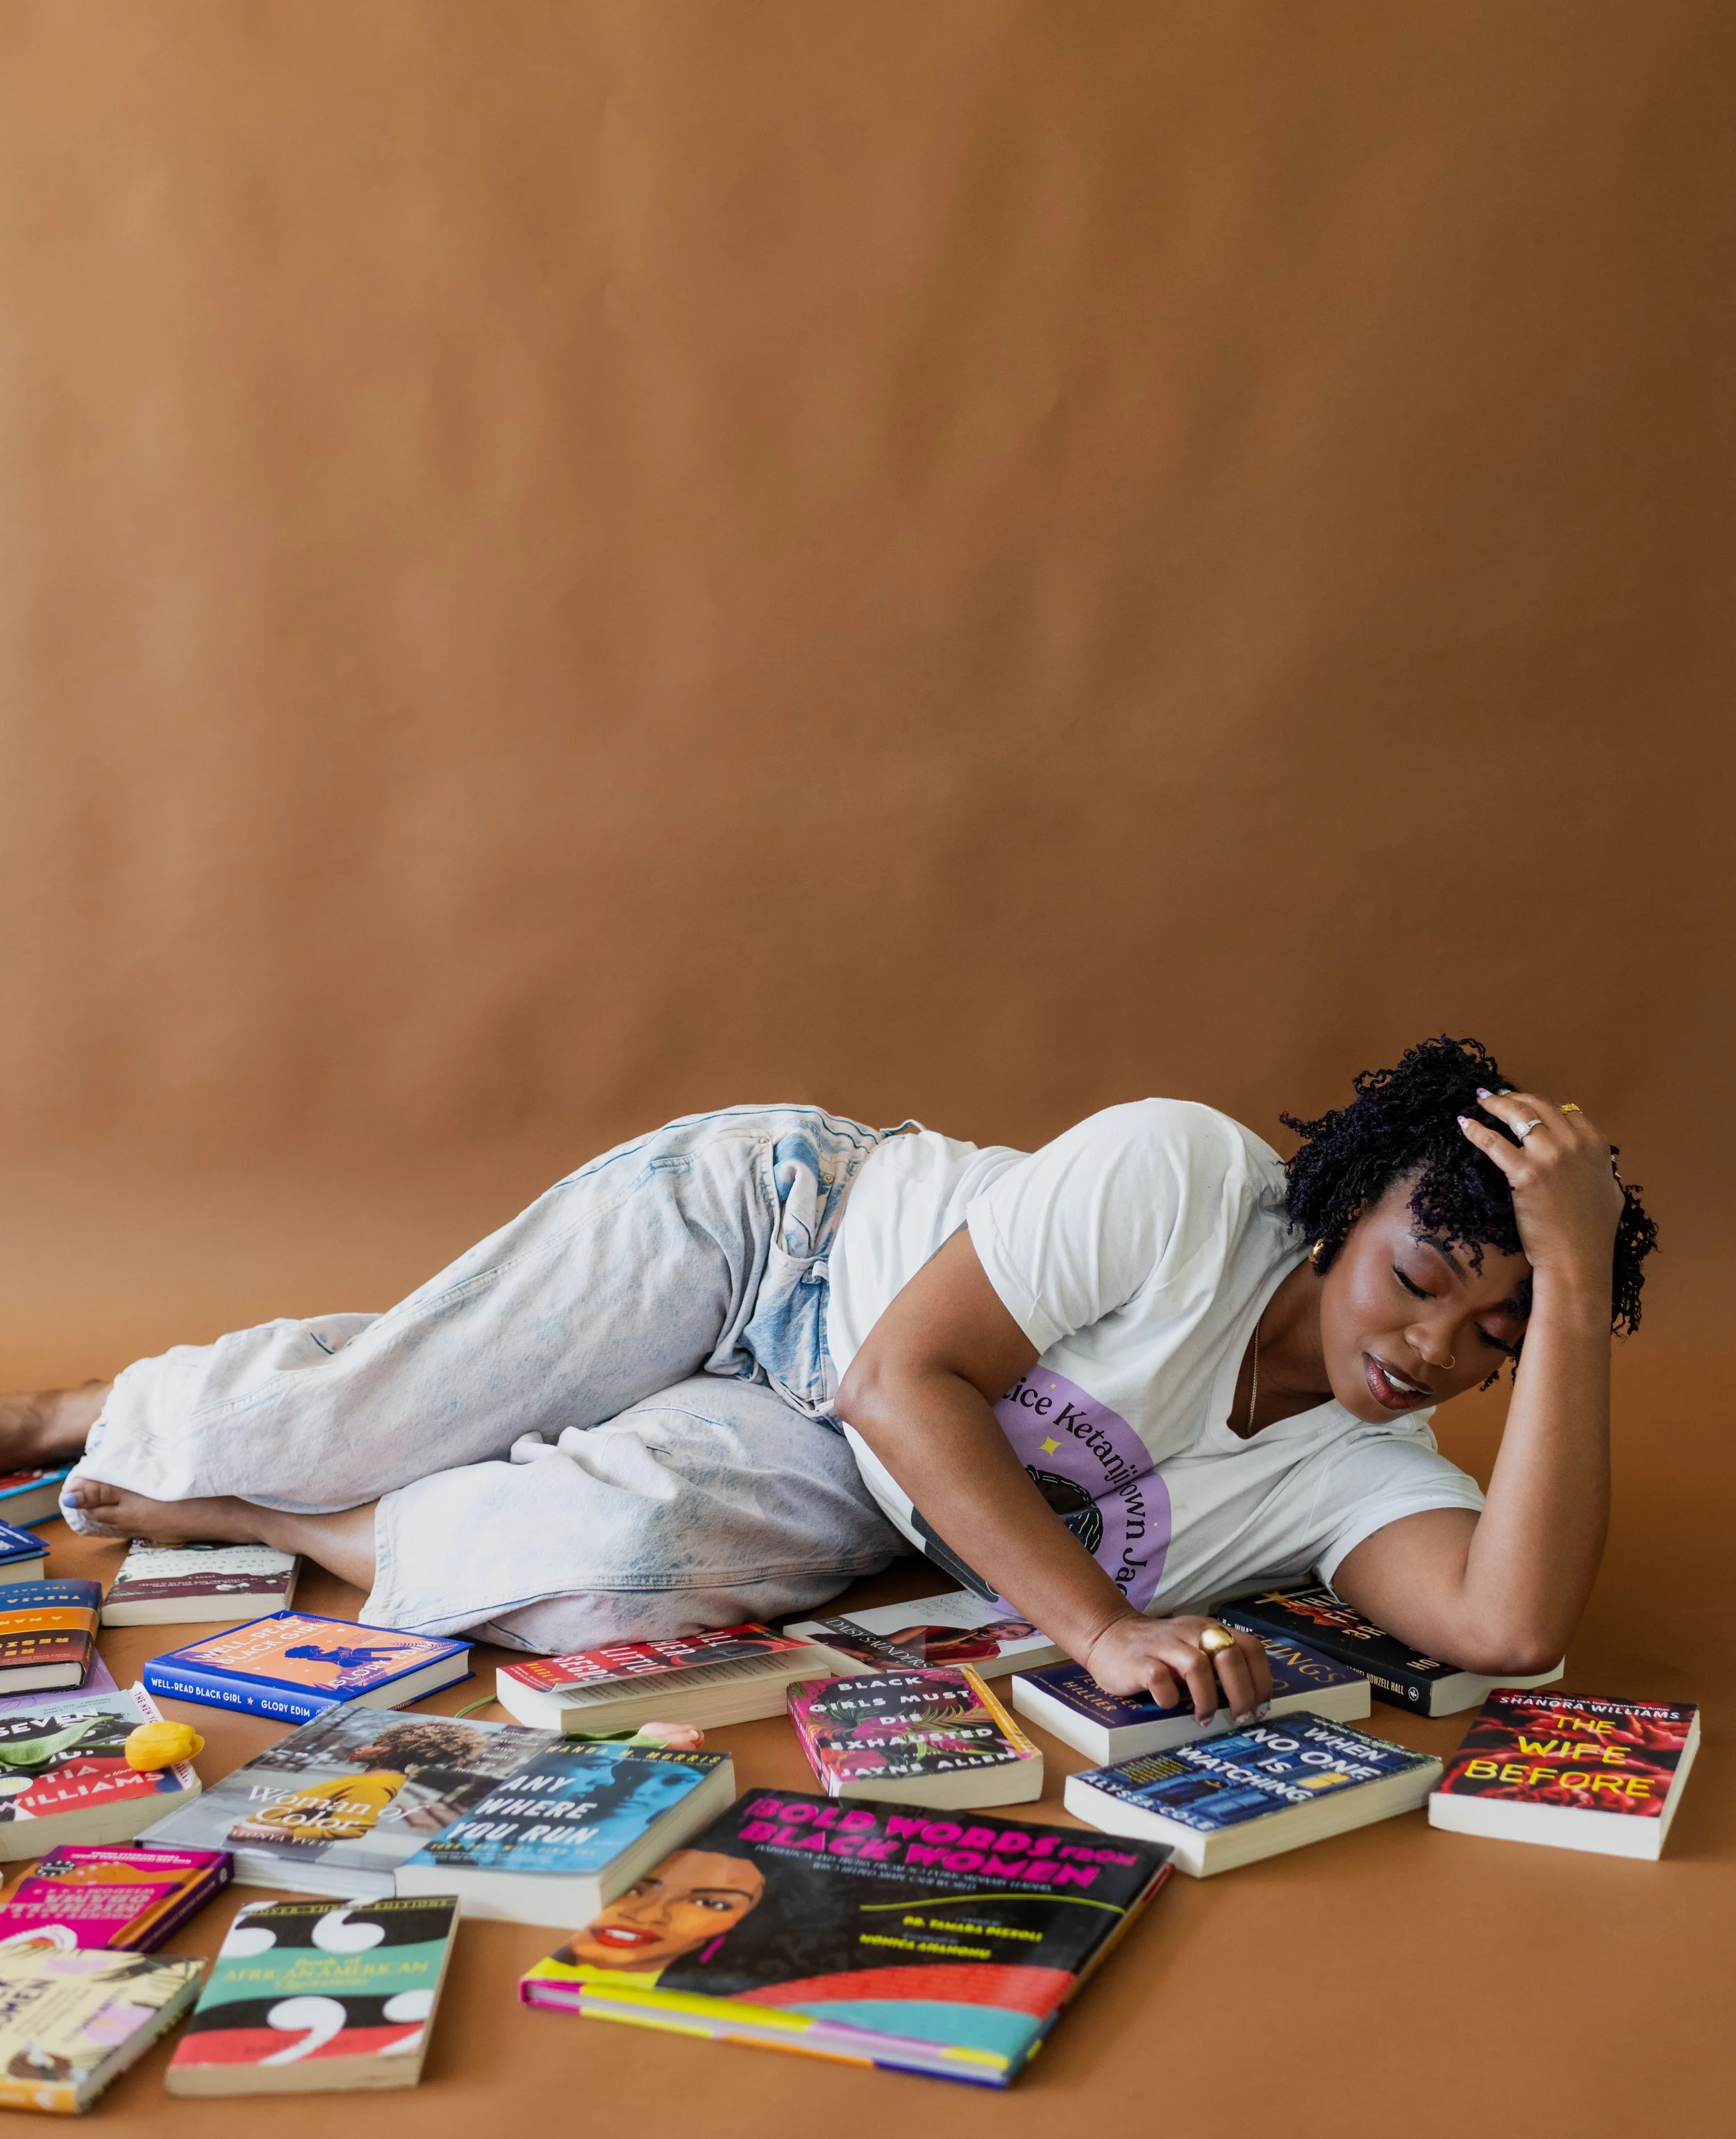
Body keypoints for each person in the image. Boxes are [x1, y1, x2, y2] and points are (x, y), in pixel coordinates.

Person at [0, 1037, 1655, 1727]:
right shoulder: (1183, 1176)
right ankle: (93, 1414)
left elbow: (1507, 1628)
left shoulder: (1368, 1477)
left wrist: (1566, 1284)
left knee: (607, 1595)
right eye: (1421, 1278)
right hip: (777, 1246)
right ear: (1339, 1203)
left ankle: (254, 1510)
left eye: (1493, 1343)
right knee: (332, 1417)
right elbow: (903, 1372)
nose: (1431, 1350)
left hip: (850, 1470)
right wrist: (1097, 1624)